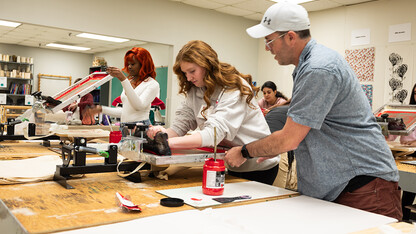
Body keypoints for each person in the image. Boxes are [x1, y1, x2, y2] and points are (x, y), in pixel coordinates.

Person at [224, 1, 402, 220]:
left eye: (269, 41)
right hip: (340, 187)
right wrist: (272, 147)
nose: (267, 48)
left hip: (362, 186)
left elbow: (289, 139)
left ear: (290, 37)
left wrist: (244, 151)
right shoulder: (308, 66)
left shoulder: (319, 68)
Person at [147, 40, 279, 185]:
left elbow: (213, 134)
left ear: (207, 65)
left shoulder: (234, 88)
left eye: (192, 71)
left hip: (258, 165)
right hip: (231, 161)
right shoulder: (196, 88)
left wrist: (167, 143)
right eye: (185, 73)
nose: (188, 78)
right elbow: (181, 125)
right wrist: (161, 135)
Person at [86, 47, 160, 128]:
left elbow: (139, 106)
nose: (129, 67)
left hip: (140, 127)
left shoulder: (152, 84)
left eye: (133, 64)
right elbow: (125, 111)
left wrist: (124, 80)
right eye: (128, 64)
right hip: (124, 126)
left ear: (143, 65)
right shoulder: (129, 82)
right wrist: (101, 109)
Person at [386, 82, 416, 221]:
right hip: (406, 155)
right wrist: (384, 130)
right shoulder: (409, 113)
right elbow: (392, 134)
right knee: (407, 191)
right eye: (415, 93)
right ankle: (403, 220)